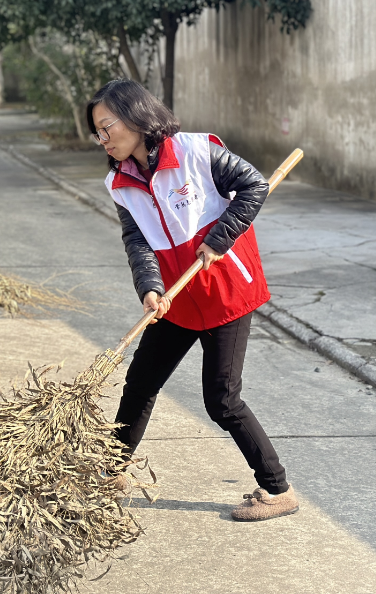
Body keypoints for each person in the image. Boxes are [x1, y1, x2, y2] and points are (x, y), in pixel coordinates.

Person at [87, 79, 298, 522]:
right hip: (176, 300)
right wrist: (149, 286)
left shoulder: (198, 151)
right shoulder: (118, 182)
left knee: (221, 399)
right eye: (98, 132)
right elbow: (137, 239)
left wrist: (219, 239)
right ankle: (111, 471)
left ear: (137, 117)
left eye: (108, 127)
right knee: (141, 382)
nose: (103, 139)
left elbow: (254, 186)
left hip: (225, 293)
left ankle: (278, 490)